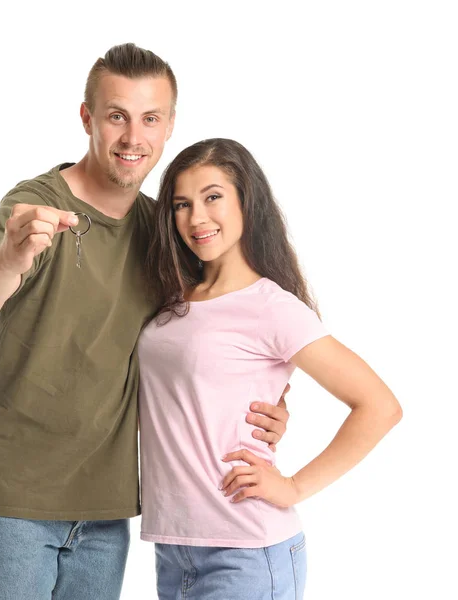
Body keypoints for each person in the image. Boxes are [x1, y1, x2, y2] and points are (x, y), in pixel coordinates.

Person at [0, 45, 290, 600]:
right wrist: (10, 258)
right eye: (117, 116)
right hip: (11, 497)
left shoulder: (164, 226)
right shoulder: (36, 203)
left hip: (108, 507)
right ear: (87, 119)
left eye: (150, 118)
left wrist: (272, 399)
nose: (134, 137)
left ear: (169, 126)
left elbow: (224, 319)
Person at [138, 138, 403, 600]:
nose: (197, 217)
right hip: (174, 548)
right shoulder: (172, 302)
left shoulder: (272, 307)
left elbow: (379, 406)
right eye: (182, 204)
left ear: (247, 201)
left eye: (213, 197)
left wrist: (294, 486)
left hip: (246, 551)